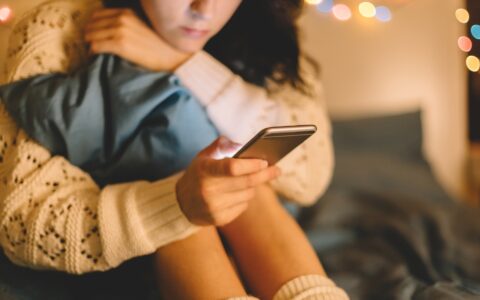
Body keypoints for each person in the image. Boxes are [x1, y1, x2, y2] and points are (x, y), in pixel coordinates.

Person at [0, 0, 346, 299]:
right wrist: (176, 203)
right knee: (196, 204)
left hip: (258, 229)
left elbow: (310, 176)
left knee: (246, 180)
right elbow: (22, 224)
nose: (203, 11)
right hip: (136, 247)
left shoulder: (267, 25)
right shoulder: (57, 28)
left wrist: (181, 61)